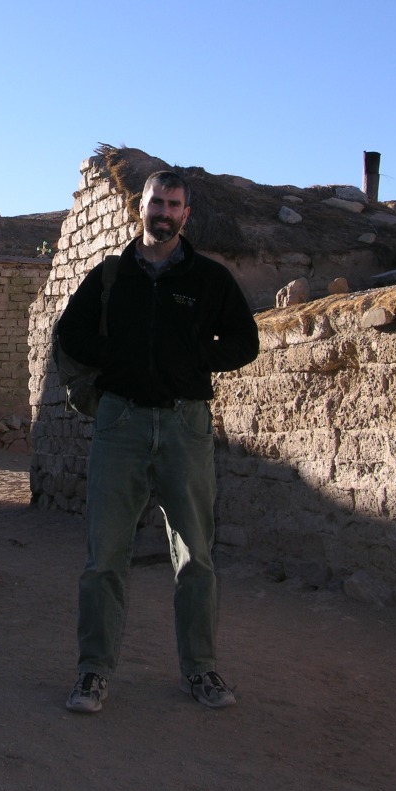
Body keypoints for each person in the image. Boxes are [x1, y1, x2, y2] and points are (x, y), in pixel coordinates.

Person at [57, 170, 259, 712]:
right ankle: (92, 673)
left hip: (184, 426)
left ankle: (201, 671)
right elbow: (69, 334)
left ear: (186, 214)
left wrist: (195, 358)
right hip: (120, 425)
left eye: (173, 205)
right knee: (104, 557)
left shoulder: (209, 279)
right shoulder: (110, 276)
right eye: (156, 202)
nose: (163, 213)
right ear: (140, 206)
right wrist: (111, 364)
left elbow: (245, 342)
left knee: (196, 557)